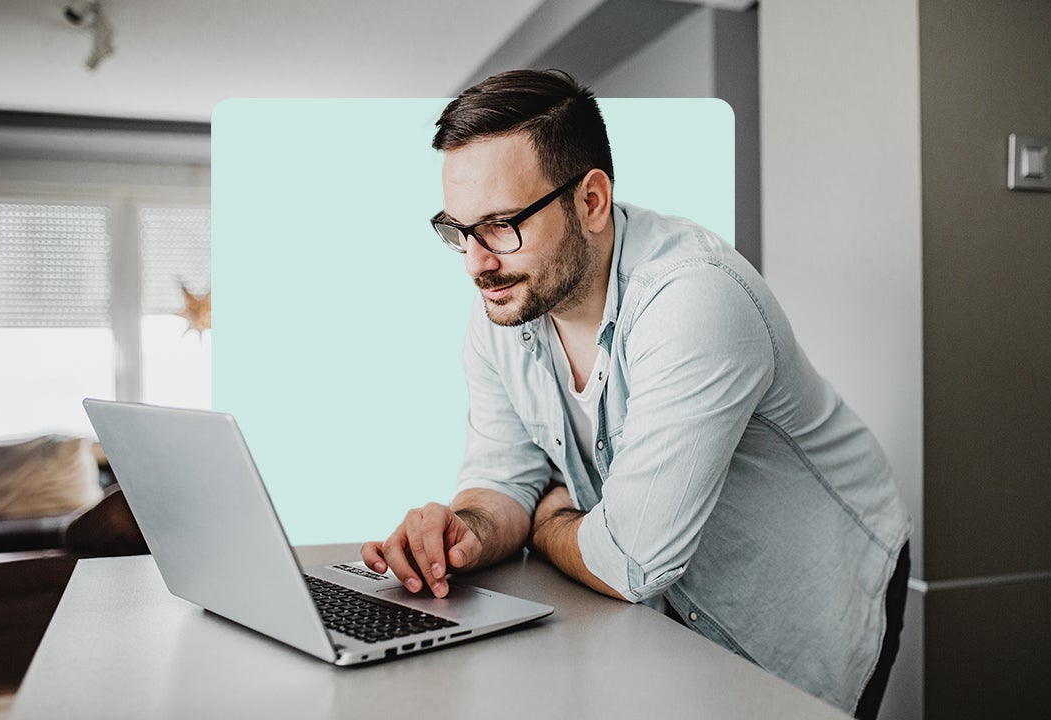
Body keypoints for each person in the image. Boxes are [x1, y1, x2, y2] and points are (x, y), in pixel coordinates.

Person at [360, 69, 911, 719]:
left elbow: (631, 563)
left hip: (812, 593)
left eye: (502, 225)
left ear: (591, 201)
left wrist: (549, 520)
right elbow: (502, 481)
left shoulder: (694, 302)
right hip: (671, 609)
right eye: (460, 230)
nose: (477, 263)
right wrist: (466, 533)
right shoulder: (505, 310)